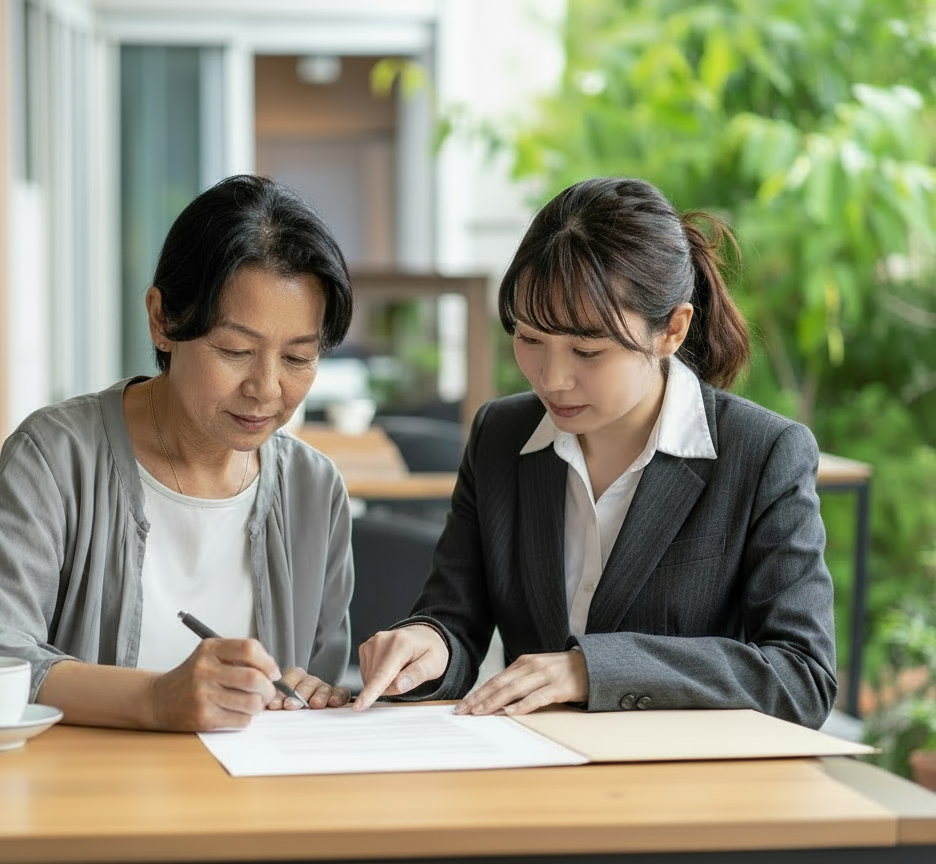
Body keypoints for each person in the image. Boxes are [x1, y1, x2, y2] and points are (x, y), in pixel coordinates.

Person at [353, 176, 838, 729]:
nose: (552, 378)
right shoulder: (501, 435)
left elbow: (802, 677)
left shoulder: (763, 454)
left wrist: (593, 670)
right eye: (530, 339)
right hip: (535, 775)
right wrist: (427, 645)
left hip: (688, 792)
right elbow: (454, 619)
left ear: (672, 331)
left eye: (587, 350)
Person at [0, 174, 356, 732]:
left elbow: (315, 685)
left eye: (298, 359)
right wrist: (156, 698)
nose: (267, 388)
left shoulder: (314, 490)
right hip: (81, 804)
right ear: (163, 319)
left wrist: (313, 693)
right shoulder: (58, 457)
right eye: (236, 350)